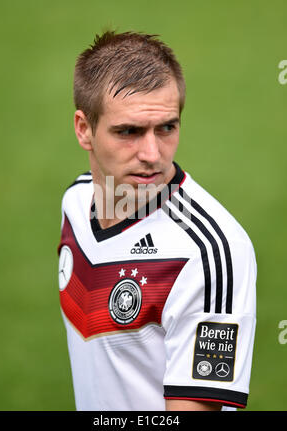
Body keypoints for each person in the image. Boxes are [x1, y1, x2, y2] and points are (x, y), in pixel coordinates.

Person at [57, 31, 257, 411]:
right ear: (84, 129)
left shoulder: (210, 253)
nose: (152, 154)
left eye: (166, 127)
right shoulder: (75, 202)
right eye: (128, 132)